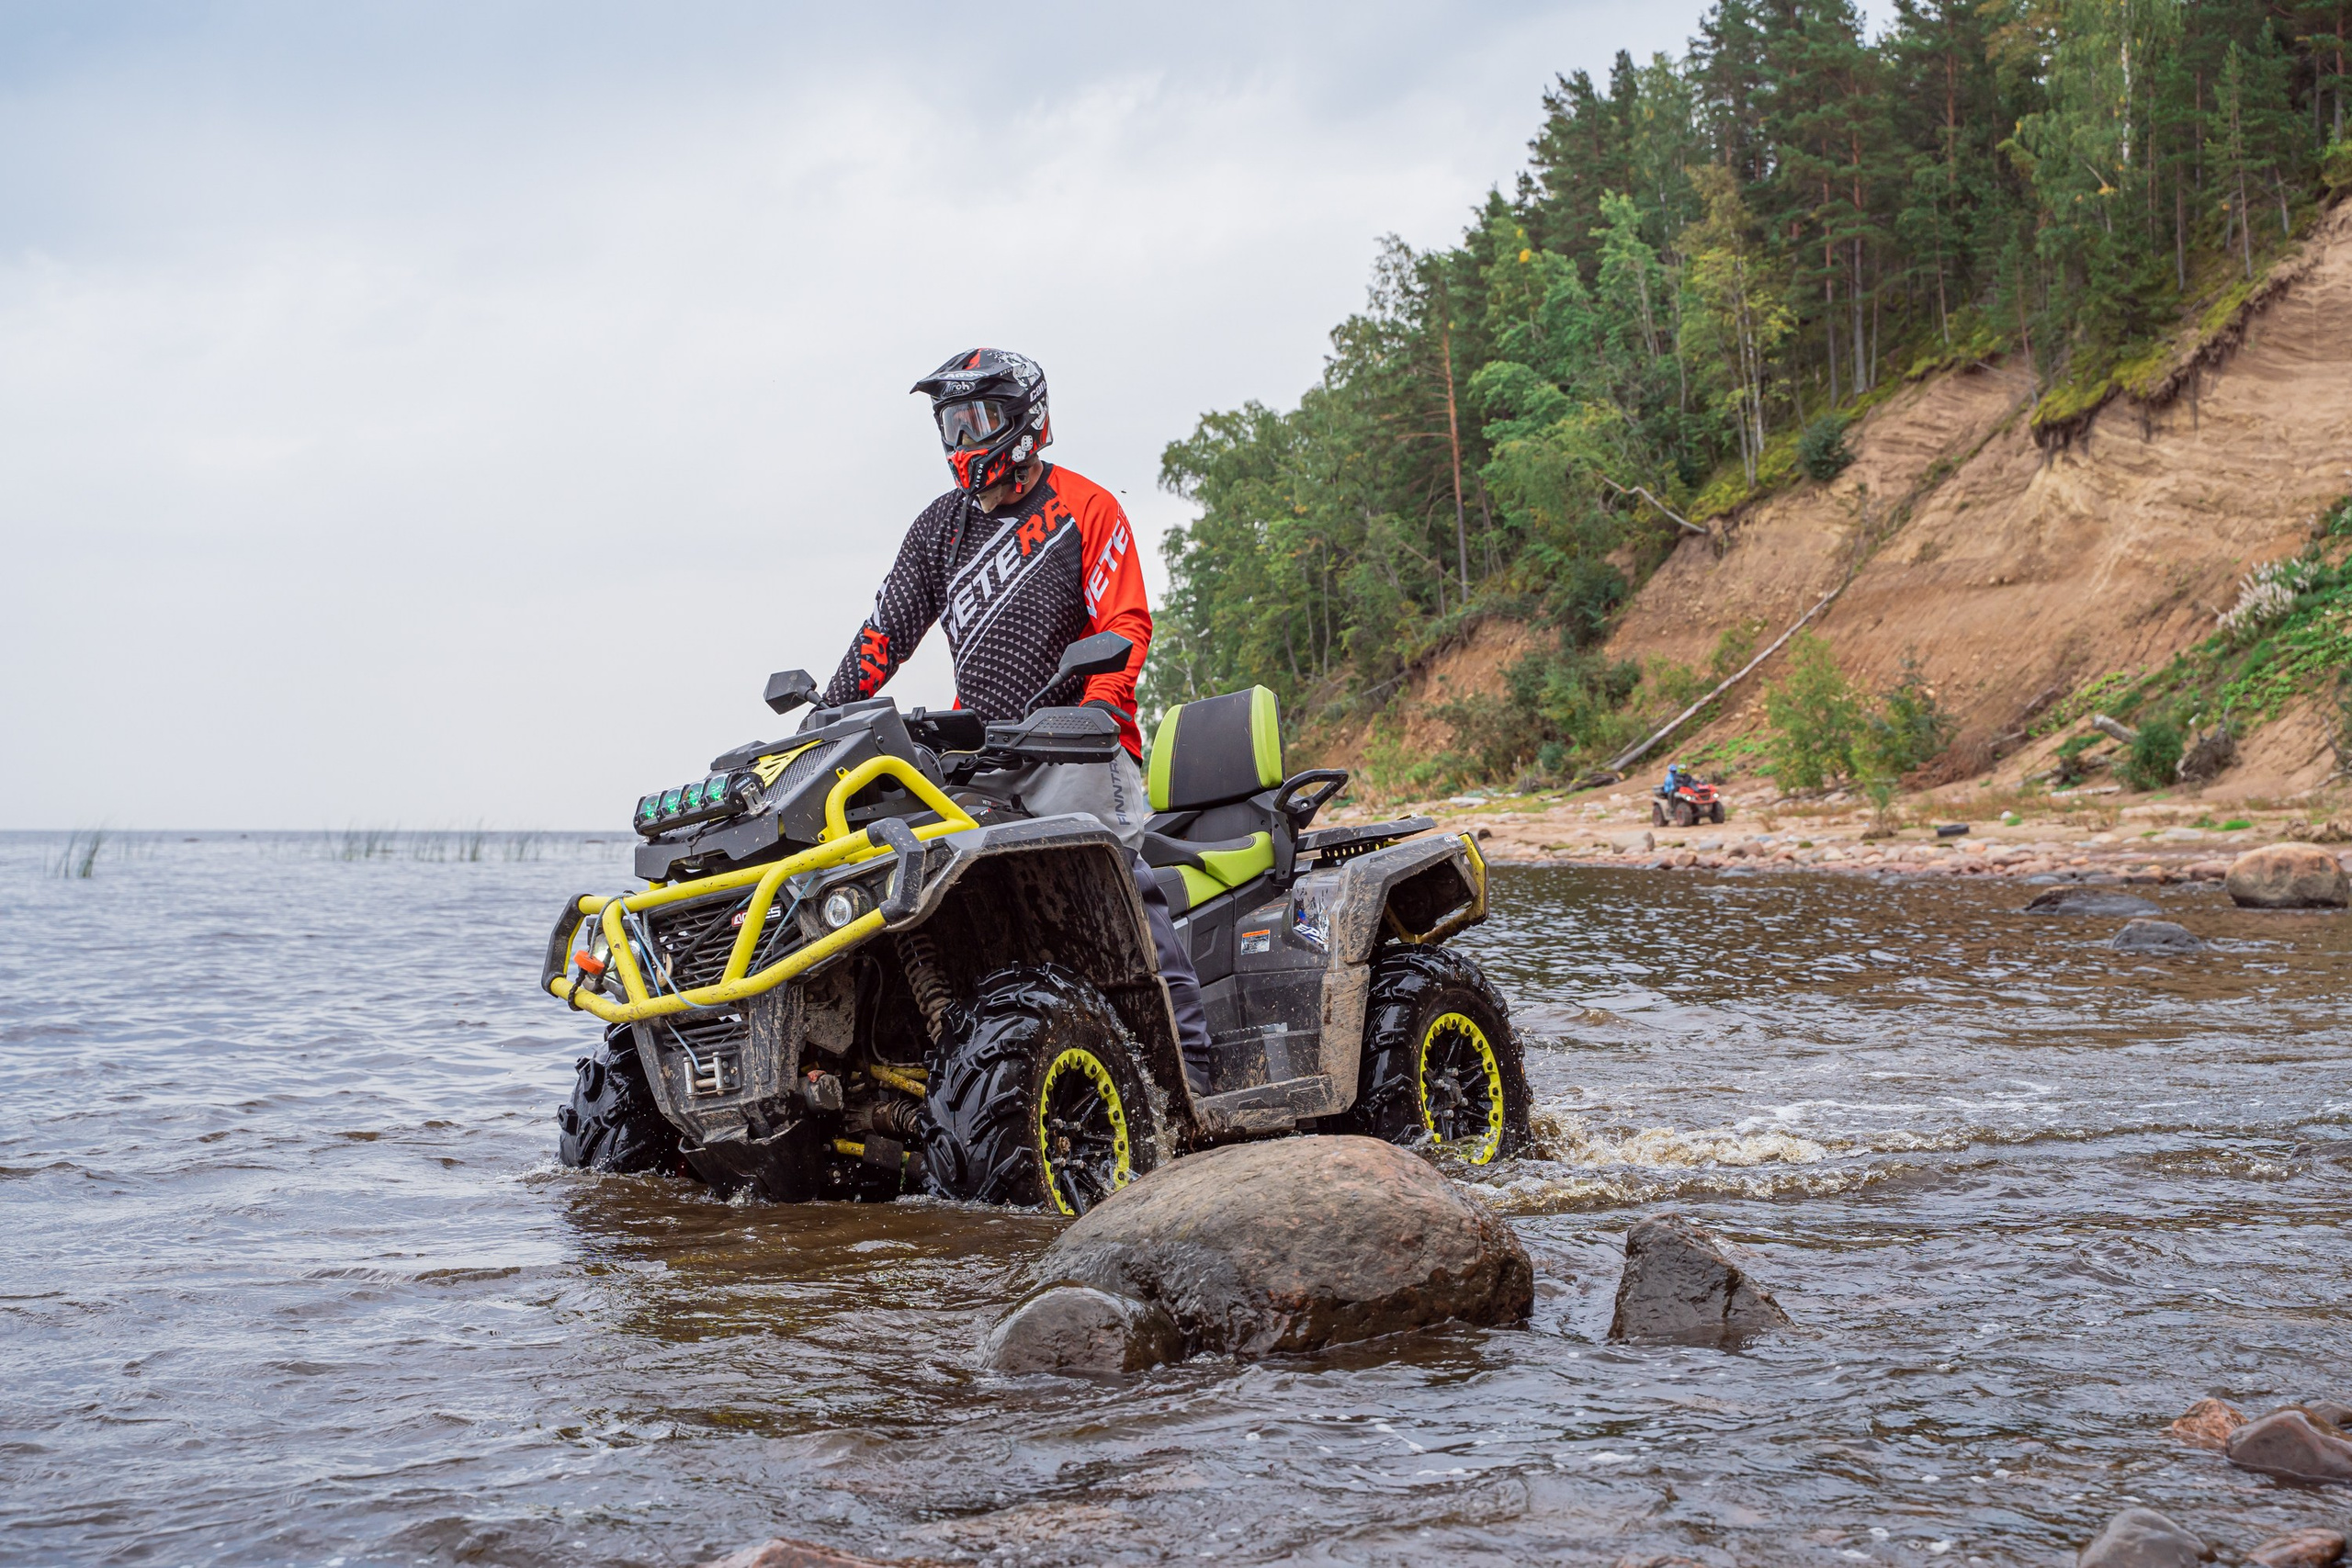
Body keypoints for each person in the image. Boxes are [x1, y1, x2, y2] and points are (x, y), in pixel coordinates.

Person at [819, 347, 1212, 1091]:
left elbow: (1125, 625)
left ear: (1025, 420)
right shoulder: (941, 527)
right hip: (983, 760)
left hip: (1080, 749)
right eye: (952, 423)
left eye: (980, 419)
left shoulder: (1089, 508)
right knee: (936, 901)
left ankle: (1194, 1070)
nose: (965, 439)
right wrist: (828, 715)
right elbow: (884, 633)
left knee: (1122, 895)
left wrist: (1097, 712)